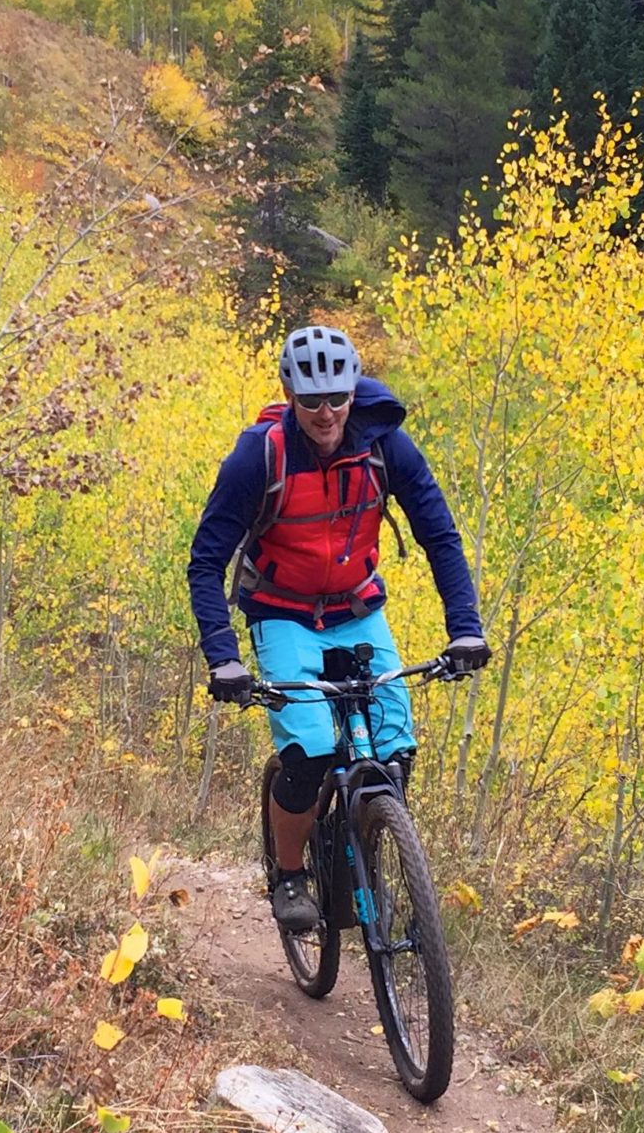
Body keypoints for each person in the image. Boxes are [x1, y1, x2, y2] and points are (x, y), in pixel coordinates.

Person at [187, 324, 489, 931]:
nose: (326, 413)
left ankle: (369, 846)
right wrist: (225, 658)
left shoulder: (385, 445)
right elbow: (206, 561)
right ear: (290, 396)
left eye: (337, 397)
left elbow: (439, 535)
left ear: (353, 391)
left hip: (356, 607)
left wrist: (465, 629)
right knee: (310, 755)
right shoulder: (259, 455)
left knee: (396, 749)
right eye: (310, 400)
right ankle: (293, 874)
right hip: (282, 612)